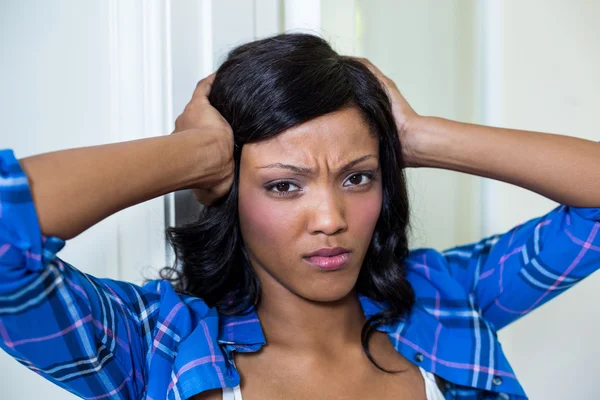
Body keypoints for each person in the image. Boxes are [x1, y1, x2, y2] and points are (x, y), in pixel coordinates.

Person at [0, 33, 598, 400]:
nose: (331, 218)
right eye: (285, 186)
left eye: (357, 177)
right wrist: (196, 155)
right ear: (228, 191)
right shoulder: (154, 342)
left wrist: (415, 136)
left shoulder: (444, 299)